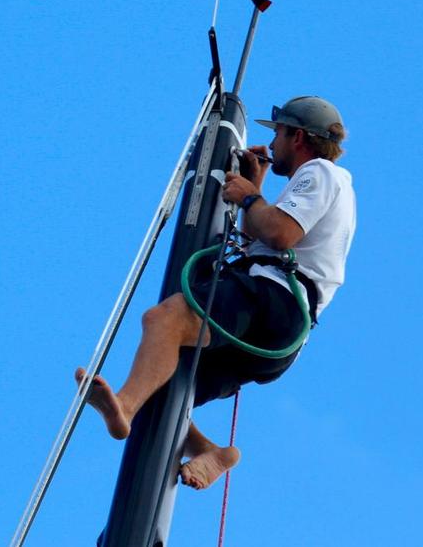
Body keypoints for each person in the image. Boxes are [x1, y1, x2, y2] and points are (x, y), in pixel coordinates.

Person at [76, 95, 356, 490]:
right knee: (164, 383)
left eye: (277, 133)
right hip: (280, 332)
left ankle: (123, 405)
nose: (272, 143)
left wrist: (248, 195)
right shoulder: (317, 186)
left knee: (164, 320)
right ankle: (211, 451)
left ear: (298, 137)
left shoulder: (320, 173)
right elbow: (264, 233)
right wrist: (255, 190)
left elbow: (279, 233)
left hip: (274, 300)